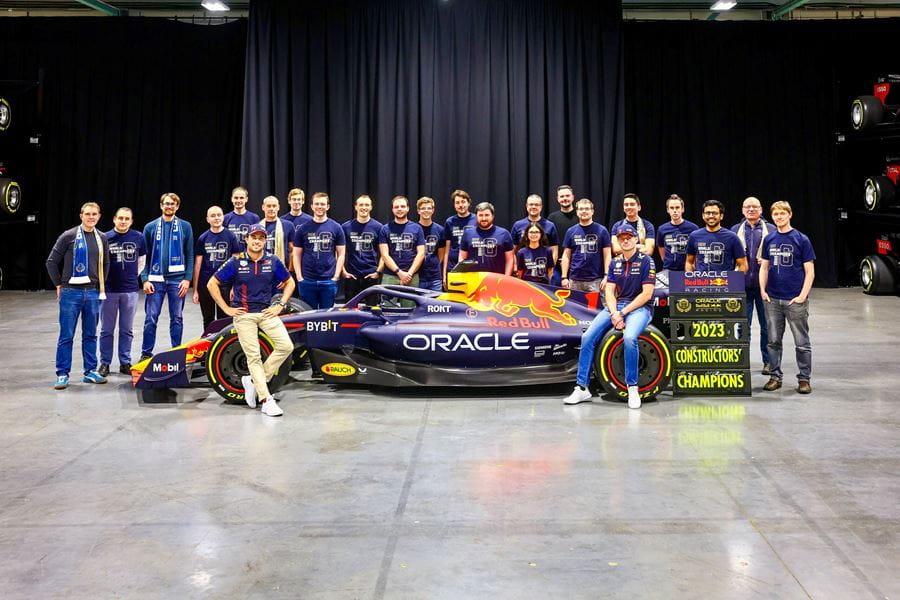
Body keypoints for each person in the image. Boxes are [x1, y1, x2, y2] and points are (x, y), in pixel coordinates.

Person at [564, 222, 655, 409]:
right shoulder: (616, 262)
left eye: (629, 237)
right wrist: (614, 313)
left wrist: (622, 313)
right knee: (587, 336)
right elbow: (609, 292)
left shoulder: (647, 261)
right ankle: (582, 388)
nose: (626, 240)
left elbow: (647, 294)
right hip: (616, 308)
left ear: (636, 239)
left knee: (629, 338)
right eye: (622, 238)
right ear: (619, 242)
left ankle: (632, 388)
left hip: (640, 308)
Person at [207, 225, 294, 417]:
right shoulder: (235, 261)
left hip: (266, 313)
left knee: (286, 346)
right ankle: (266, 400)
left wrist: (280, 304)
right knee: (253, 357)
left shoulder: (272, 260)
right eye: (253, 237)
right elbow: (212, 283)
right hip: (244, 315)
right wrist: (226, 309)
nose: (257, 241)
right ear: (246, 239)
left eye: (261, 238)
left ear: (265, 241)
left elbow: (290, 282)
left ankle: (254, 381)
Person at [46, 202, 111, 389]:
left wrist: (100, 285)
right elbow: (51, 262)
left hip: (92, 292)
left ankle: (90, 371)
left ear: (99, 216)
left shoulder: (102, 237)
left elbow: (106, 263)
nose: (91, 217)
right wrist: (59, 284)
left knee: (91, 335)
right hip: (70, 293)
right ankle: (62, 374)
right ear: (81, 215)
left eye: (94, 214)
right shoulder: (69, 236)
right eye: (88, 214)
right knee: (66, 335)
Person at [759, 201, 816, 394]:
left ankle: (804, 379)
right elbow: (764, 266)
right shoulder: (769, 239)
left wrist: (802, 296)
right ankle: (776, 377)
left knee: (802, 342)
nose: (779, 217)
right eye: (775, 214)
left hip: (794, 300)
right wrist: (762, 290)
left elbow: (810, 272)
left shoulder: (801, 239)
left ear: (789, 215)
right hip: (773, 299)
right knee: (773, 341)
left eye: (782, 214)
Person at [139, 192, 195, 362]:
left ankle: (176, 351)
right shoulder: (150, 227)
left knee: (177, 318)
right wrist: (145, 278)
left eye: (172, 204)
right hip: (155, 280)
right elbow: (143, 256)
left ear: (177, 206)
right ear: (161, 205)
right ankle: (146, 353)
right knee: (150, 318)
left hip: (177, 281)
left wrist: (187, 279)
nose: (169, 206)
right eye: (166, 203)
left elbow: (190, 254)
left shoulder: (185, 226)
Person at [99, 207, 146, 377]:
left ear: (131, 221)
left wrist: (132, 276)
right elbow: (99, 263)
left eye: (127, 218)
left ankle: (125, 362)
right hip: (109, 290)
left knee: (127, 329)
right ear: (114, 219)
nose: (123, 221)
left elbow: (142, 261)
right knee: (106, 329)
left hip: (130, 290)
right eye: (120, 218)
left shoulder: (139, 237)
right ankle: (105, 363)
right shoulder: (104, 238)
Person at [731, 196, 772, 374]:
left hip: (766, 288)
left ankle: (768, 361)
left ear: (761, 210)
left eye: (754, 207)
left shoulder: (771, 230)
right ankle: (742, 361)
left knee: (767, 326)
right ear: (742, 210)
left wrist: (766, 260)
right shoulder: (734, 231)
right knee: (742, 326)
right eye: (747, 207)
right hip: (742, 286)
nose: (751, 210)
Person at [292, 192, 346, 309]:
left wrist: (336, 276)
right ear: (311, 206)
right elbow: (296, 255)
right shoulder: (303, 228)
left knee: (326, 318)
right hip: (307, 280)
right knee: (307, 317)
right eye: (317, 204)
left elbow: (341, 254)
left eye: (322, 204)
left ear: (328, 206)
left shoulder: (336, 227)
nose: (319, 206)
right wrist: (299, 277)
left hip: (328, 281)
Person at [192, 205, 240, 331]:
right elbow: (197, 265)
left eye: (219, 215)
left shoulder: (231, 237)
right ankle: (208, 345)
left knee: (224, 319)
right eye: (213, 216)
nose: (216, 218)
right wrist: (196, 290)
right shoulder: (203, 238)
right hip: (206, 284)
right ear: (208, 219)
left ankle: (223, 347)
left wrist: (234, 287)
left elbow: (236, 264)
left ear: (223, 217)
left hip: (225, 284)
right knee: (208, 319)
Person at [560, 198, 611, 292]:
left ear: (592, 211)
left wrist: (606, 276)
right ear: (577, 212)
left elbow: (607, 255)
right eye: (581, 209)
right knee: (574, 306)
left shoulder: (602, 230)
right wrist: (564, 277)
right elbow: (566, 256)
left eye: (587, 209)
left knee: (595, 307)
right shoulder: (571, 231)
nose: (584, 211)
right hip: (574, 280)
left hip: (596, 280)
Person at [685, 200, 748, 273]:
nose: (711, 216)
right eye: (708, 213)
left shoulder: (732, 237)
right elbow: (689, 262)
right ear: (703, 215)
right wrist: (691, 280)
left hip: (724, 283)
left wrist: (734, 282)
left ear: (721, 216)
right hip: (701, 283)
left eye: (714, 213)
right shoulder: (694, 236)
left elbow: (743, 265)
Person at [342, 194, 383, 301]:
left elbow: (384, 253)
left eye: (366, 205)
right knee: (350, 312)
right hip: (352, 275)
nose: (363, 207)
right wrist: (343, 271)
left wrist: (378, 272)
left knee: (372, 312)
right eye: (361, 205)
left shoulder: (378, 227)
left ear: (371, 207)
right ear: (355, 207)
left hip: (371, 275)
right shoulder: (346, 227)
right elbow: (339, 252)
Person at [379, 195, 425, 288]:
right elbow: (384, 255)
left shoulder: (417, 228)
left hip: (412, 276)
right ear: (392, 209)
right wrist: (399, 272)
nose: (400, 209)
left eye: (403, 206)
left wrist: (409, 274)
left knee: (411, 303)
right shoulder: (385, 229)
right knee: (388, 303)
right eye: (396, 207)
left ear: (408, 208)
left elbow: (421, 254)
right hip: (390, 276)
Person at [459, 202, 515, 275]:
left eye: (487, 215)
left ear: (492, 216)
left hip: (497, 279)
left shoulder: (504, 234)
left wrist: (506, 278)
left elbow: (510, 260)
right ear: (476, 216)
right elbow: (462, 258)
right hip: (473, 280)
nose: (484, 218)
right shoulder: (467, 234)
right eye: (481, 215)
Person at [510, 194, 559, 266]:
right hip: (523, 269)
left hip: (542, 269)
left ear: (541, 207)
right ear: (526, 206)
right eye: (531, 204)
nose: (533, 207)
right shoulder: (518, 225)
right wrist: (515, 267)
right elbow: (512, 251)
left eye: (536, 204)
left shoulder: (550, 225)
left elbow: (554, 251)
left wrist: (549, 270)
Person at [656, 194, 699, 272]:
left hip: (687, 270)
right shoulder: (662, 229)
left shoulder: (693, 228)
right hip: (668, 270)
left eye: (677, 207)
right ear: (668, 210)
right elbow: (662, 251)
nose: (674, 210)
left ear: (682, 209)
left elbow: (696, 252)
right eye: (672, 208)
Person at [441, 189, 476, 283]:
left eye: (463, 202)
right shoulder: (450, 222)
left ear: (469, 203)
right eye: (457, 203)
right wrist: (444, 275)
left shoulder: (476, 219)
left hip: (472, 266)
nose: (461, 205)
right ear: (454, 205)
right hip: (453, 266)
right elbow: (446, 251)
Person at [548, 185, 578, 285]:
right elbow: (548, 243)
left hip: (577, 266)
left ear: (572, 197)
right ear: (557, 199)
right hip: (557, 266)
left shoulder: (580, 216)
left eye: (567, 196)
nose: (565, 198)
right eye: (562, 196)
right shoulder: (552, 218)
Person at [416, 196, 445, 291]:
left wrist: (433, 263)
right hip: (417, 277)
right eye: (423, 208)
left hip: (435, 277)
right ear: (418, 211)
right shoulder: (413, 229)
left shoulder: (440, 230)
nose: (426, 210)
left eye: (429, 208)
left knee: (435, 305)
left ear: (433, 210)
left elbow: (441, 253)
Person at [259, 195, 294, 267]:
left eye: (274, 206)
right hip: (261, 267)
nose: (271, 209)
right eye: (268, 206)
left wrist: (290, 270)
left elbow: (292, 250)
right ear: (263, 207)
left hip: (282, 267)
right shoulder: (257, 227)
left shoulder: (288, 225)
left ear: (278, 207)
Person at [223, 186, 259, 252]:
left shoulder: (254, 218)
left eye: (241, 198)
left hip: (248, 258)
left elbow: (256, 239)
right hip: (231, 258)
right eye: (236, 198)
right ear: (232, 199)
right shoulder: (225, 218)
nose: (238, 200)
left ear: (246, 199)